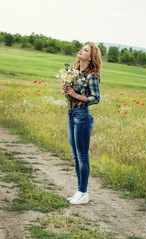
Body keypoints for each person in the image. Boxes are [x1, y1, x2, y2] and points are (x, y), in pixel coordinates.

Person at [62, 43, 101, 204]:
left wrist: (74, 95)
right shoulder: (75, 74)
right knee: (75, 156)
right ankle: (79, 191)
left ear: (91, 57)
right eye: (82, 48)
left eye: (86, 50)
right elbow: (71, 95)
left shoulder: (91, 77)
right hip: (72, 115)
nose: (81, 50)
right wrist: (67, 91)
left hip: (83, 118)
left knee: (83, 157)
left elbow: (95, 98)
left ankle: (83, 192)